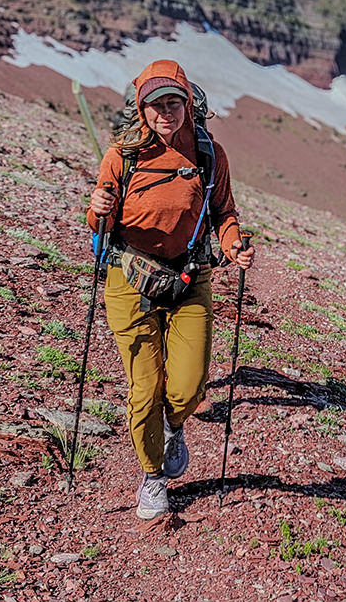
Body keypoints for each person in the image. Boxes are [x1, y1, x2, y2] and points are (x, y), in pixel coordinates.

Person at [87, 60, 255, 520]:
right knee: (145, 387)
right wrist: (98, 207)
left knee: (188, 386)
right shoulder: (122, 154)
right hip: (130, 279)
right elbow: (100, 217)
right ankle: (153, 477)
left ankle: (173, 424)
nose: (165, 112)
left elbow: (224, 212)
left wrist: (234, 244)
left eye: (173, 102)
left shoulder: (208, 154)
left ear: (187, 103)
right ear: (141, 107)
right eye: (155, 104)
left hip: (190, 277)